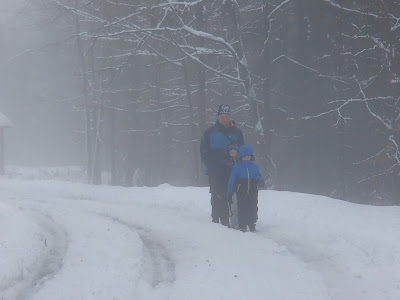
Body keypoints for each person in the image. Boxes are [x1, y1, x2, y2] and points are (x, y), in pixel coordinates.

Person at [200, 104, 244, 226]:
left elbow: (242, 150)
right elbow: (203, 151)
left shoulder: (237, 132)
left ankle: (226, 222)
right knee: (215, 194)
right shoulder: (209, 132)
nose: (224, 119)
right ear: (218, 117)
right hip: (214, 169)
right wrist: (210, 165)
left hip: (232, 170)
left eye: (226, 116)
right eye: (222, 116)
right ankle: (215, 220)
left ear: (230, 117)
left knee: (229, 195)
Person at [227, 144, 264, 232]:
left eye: (248, 157)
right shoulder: (237, 167)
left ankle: (252, 223)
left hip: (252, 191)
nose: (246, 158)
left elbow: (259, 176)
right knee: (242, 208)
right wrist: (229, 192)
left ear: (251, 157)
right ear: (241, 157)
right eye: (244, 157)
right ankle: (242, 224)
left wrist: (260, 180)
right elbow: (231, 180)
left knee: (253, 207)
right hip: (241, 191)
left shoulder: (254, 166)